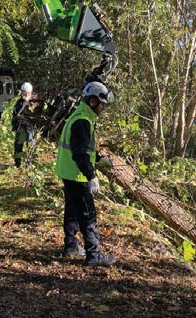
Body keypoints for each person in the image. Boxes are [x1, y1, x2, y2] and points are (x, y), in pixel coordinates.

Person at [55, 81, 116, 266]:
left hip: (69, 172)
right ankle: (93, 255)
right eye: (102, 103)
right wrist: (91, 175)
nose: (103, 108)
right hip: (77, 175)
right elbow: (79, 152)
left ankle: (71, 247)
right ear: (92, 101)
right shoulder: (82, 120)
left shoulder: (80, 116)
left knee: (72, 212)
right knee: (88, 215)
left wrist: (97, 158)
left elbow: (84, 148)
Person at [11, 82, 35, 168]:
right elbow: (16, 114)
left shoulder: (33, 103)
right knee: (18, 146)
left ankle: (29, 164)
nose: (24, 93)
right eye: (23, 91)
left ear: (29, 92)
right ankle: (18, 163)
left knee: (30, 147)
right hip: (21, 129)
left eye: (25, 92)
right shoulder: (20, 102)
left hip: (30, 128)